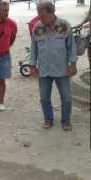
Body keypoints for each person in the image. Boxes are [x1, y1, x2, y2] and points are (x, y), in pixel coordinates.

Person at [29, 1, 77, 131]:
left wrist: (73, 64)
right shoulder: (37, 28)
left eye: (43, 15)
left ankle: (66, 120)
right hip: (44, 70)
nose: (40, 18)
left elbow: (71, 47)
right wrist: (33, 65)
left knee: (66, 97)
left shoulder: (64, 25)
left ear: (52, 12)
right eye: (39, 15)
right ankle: (48, 119)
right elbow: (34, 49)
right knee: (44, 97)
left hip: (61, 69)